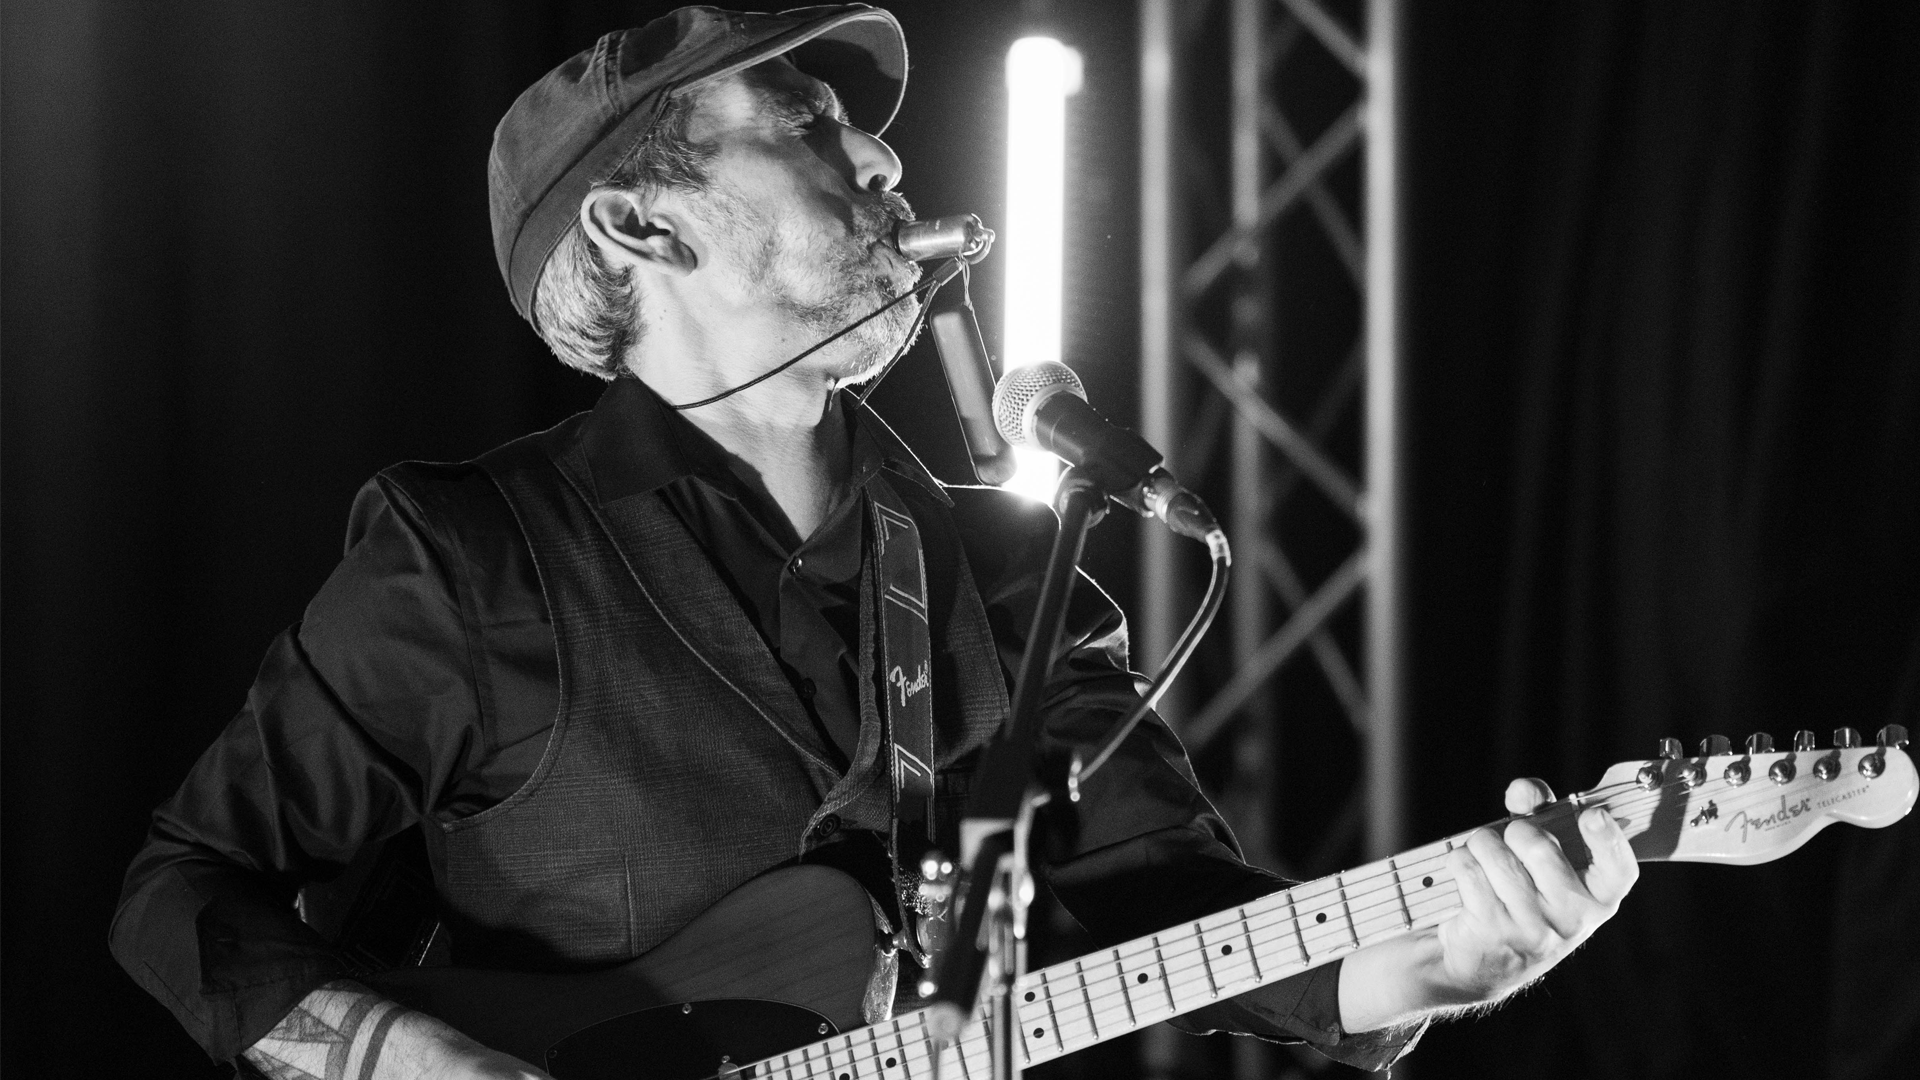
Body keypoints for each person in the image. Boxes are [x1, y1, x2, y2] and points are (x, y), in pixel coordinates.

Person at [110, 7, 1640, 1078]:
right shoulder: (472, 557)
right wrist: (414, 1060)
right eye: (806, 124)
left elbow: (1172, 903)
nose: (889, 162)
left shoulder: (1009, 568)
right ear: (641, 228)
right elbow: (183, 891)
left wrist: (1437, 961)